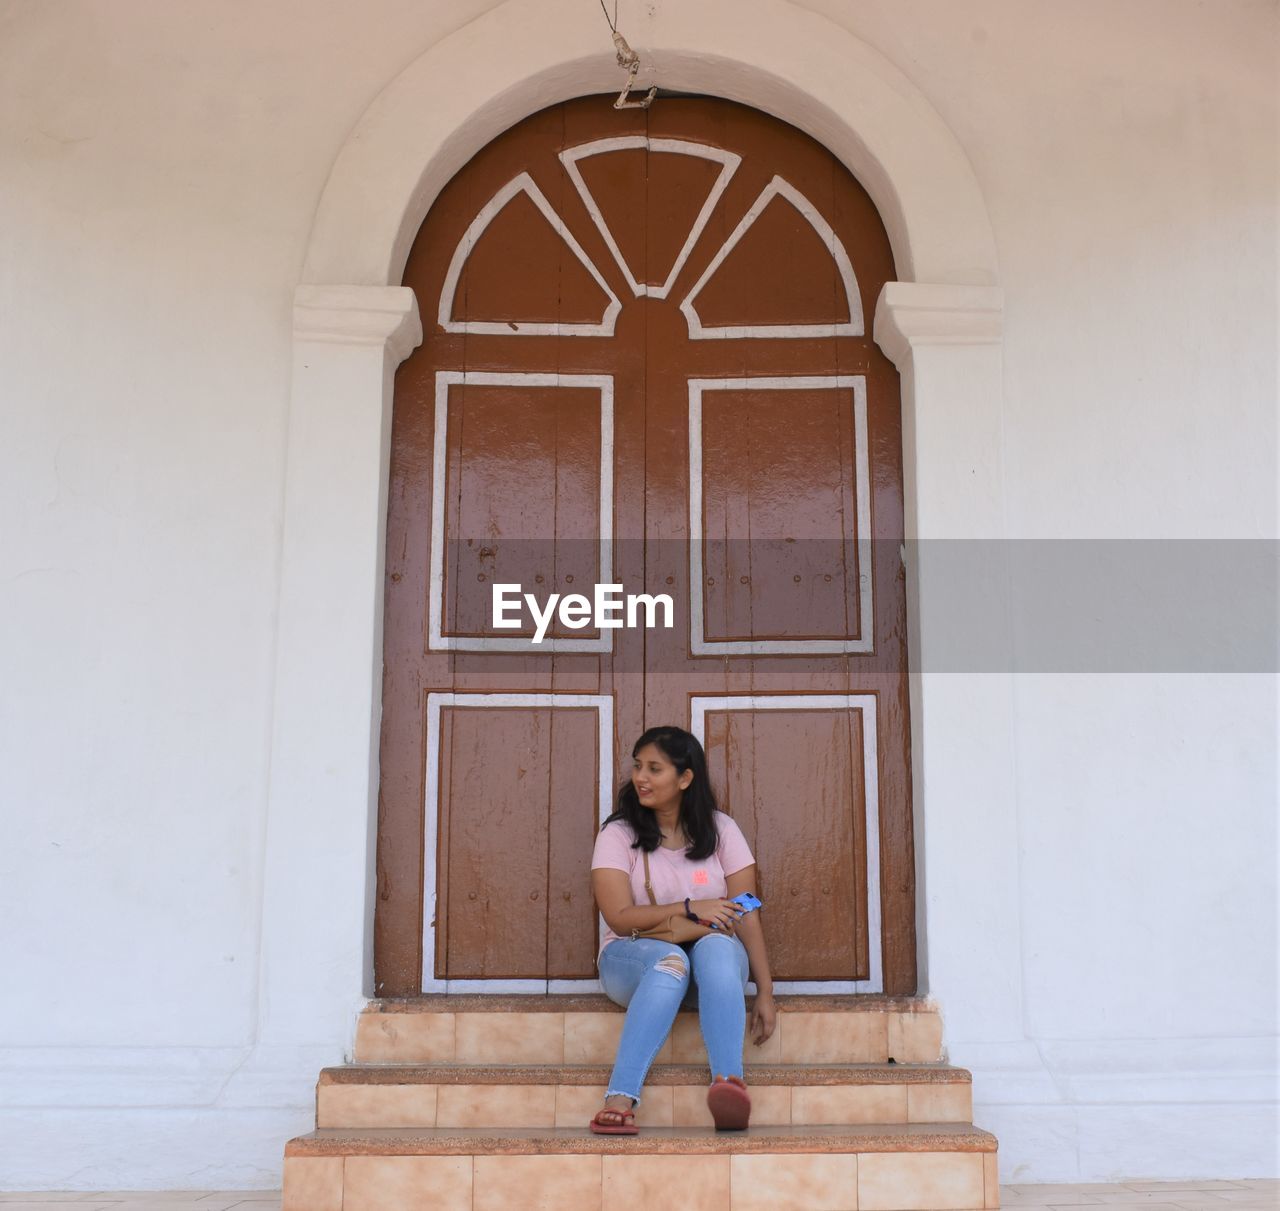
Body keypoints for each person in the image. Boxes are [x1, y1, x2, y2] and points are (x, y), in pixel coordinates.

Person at [588, 725, 776, 1134]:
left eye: (655, 768)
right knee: (671, 961)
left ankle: (729, 1086)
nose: (641, 777)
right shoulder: (618, 834)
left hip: (708, 975)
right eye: (638, 766)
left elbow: (747, 910)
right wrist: (692, 908)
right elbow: (619, 917)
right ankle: (620, 1096)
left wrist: (764, 991)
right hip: (634, 959)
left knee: (719, 948)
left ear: (685, 778)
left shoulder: (721, 830)